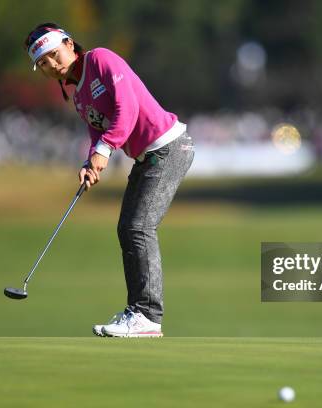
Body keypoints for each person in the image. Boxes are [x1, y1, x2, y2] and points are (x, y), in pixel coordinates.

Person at [24, 23, 194, 337]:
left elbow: (125, 109)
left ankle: (146, 316)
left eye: (53, 54)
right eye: (43, 63)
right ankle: (139, 312)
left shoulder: (100, 60)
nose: (51, 65)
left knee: (138, 226)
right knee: (128, 227)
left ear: (70, 44)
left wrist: (104, 150)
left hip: (169, 147)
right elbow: (98, 131)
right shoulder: (77, 97)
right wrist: (92, 161)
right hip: (149, 157)